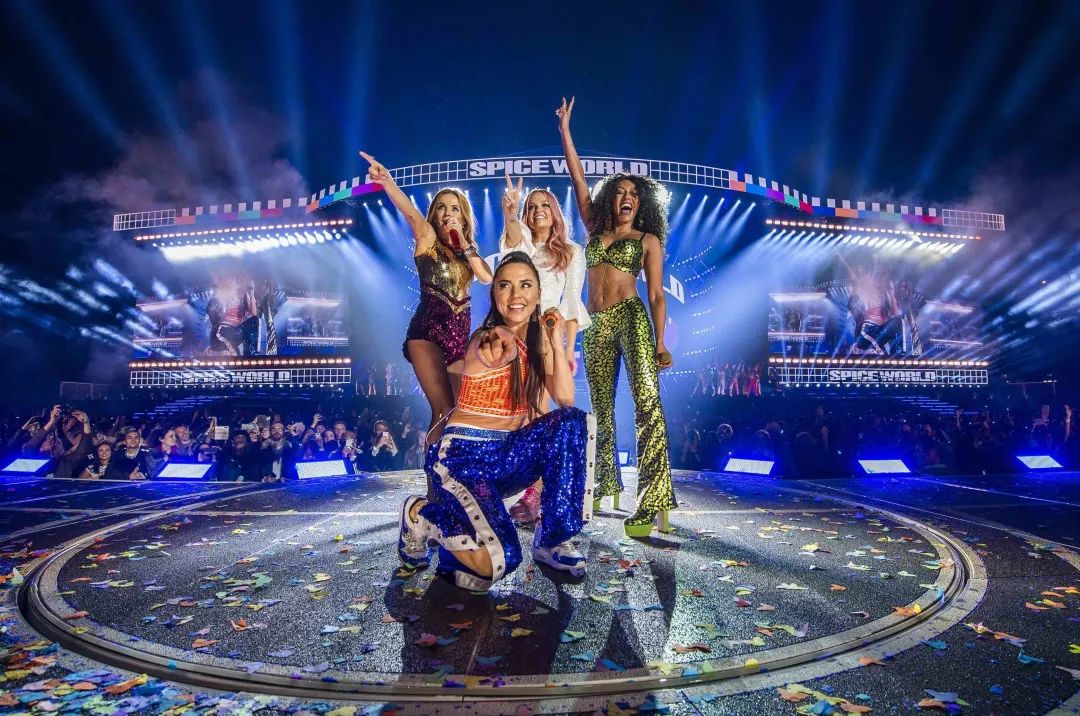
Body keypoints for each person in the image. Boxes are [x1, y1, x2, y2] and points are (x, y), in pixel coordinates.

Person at [397, 252, 596, 592]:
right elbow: (493, 349)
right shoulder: (489, 336)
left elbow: (564, 398)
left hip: (507, 458)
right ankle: (420, 514)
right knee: (499, 562)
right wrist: (495, 351)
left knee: (573, 422)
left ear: (538, 293)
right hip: (464, 459)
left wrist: (555, 337)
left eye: (525, 285)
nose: (515, 295)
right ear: (494, 294)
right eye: (505, 285)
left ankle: (551, 539)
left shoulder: (539, 343)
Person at [558, 96, 676, 538]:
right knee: (601, 410)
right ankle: (605, 484)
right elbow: (578, 178)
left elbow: (657, 295)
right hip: (595, 324)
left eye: (634, 194)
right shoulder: (594, 228)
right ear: (611, 199)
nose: (627, 198)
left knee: (647, 404)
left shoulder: (647, 239)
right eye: (621, 192)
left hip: (631, 318)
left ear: (641, 204)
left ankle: (655, 500)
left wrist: (660, 342)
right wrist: (565, 132)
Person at [359, 151, 494, 463]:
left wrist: (465, 244)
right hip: (427, 333)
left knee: (459, 412)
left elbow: (487, 277)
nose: (448, 213)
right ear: (435, 213)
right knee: (443, 409)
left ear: (464, 216)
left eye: (455, 208)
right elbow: (410, 214)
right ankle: (434, 481)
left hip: (458, 339)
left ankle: (452, 473)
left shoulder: (466, 252)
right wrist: (388, 182)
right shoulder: (428, 237)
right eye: (441, 207)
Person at [500, 173, 591, 524]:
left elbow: (572, 304)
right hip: (519, 332)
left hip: (549, 332)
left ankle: (550, 489)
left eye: (545, 206)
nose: (538, 210)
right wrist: (510, 213)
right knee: (528, 415)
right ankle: (534, 492)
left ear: (555, 213)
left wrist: (568, 351)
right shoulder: (522, 243)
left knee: (555, 408)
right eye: (532, 206)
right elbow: (511, 244)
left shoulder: (572, 252)